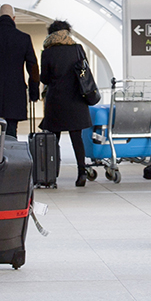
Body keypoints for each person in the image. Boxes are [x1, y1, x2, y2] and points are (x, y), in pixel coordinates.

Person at [39, 20, 92, 187]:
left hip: (57, 101)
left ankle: (51, 174)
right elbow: (85, 71)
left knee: (54, 139)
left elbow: (45, 78)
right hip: (76, 100)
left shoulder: (47, 52)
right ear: (67, 32)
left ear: (51, 34)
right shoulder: (77, 49)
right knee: (77, 138)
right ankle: (82, 172)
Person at [0, 4, 40, 137]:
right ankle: (10, 156)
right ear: (14, 18)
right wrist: (34, 92)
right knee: (11, 132)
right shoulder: (24, 38)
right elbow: (33, 67)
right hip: (15, 92)